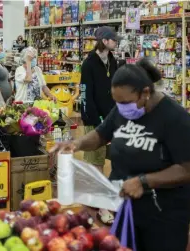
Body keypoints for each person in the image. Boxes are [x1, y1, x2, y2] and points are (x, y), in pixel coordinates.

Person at [51, 58, 190, 251]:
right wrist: (76, 143)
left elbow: (189, 170)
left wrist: (144, 181)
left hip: (163, 216)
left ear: (145, 93)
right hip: (125, 207)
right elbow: (101, 135)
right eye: (117, 102)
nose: (121, 107)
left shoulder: (175, 118)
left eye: (125, 102)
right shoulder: (123, 109)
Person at [80, 26, 120, 225]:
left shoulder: (113, 60)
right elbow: (85, 94)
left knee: (113, 159)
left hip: (113, 117)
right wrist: (94, 120)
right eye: (113, 39)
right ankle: (102, 205)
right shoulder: (88, 64)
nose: (116, 42)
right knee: (96, 162)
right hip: (95, 120)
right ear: (104, 41)